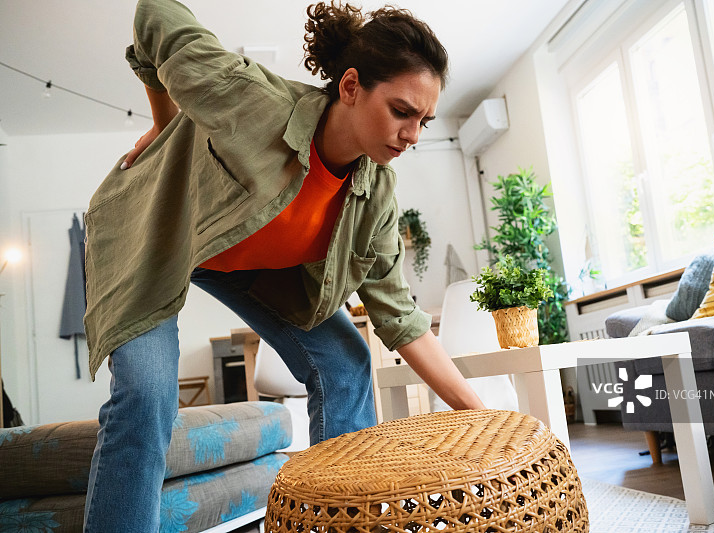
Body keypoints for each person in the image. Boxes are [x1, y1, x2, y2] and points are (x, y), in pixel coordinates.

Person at [82, 0, 485, 530]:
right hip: (154, 239)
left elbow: (401, 320)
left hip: (243, 267)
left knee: (345, 360)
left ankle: (342, 519)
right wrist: (166, 128)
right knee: (148, 395)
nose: (413, 134)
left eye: (424, 120)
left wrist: (480, 418)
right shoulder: (250, 99)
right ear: (350, 87)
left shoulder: (376, 194)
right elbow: (156, 13)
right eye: (401, 111)